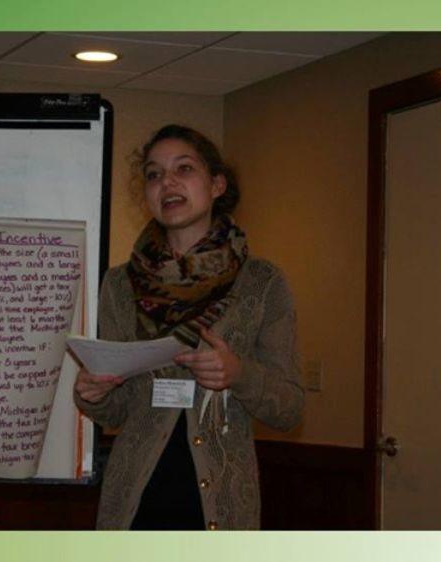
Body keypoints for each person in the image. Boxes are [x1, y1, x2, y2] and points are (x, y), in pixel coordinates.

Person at [73, 124, 304, 530]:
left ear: (217, 184)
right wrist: (93, 394)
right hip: (134, 501)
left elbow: (290, 409)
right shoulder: (119, 284)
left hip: (220, 504)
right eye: (154, 174)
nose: (168, 183)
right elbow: (118, 410)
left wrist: (240, 373)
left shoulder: (261, 282)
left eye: (184, 169)